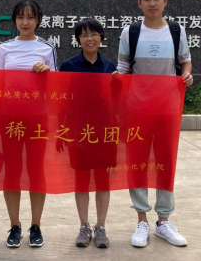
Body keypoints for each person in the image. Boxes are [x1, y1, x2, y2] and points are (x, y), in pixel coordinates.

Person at [116, 0, 194, 248]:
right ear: (139, 3)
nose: (152, 3)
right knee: (137, 161)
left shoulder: (176, 30)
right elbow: (123, 68)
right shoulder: (130, 32)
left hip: (168, 108)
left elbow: (185, 61)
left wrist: (186, 75)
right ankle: (142, 220)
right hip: (137, 108)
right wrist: (115, 80)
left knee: (165, 161)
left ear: (165, 1)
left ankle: (163, 221)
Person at [0, 0, 57, 249]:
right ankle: (15, 226)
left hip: (38, 118)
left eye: (30, 17)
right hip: (9, 119)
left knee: (36, 171)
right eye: (20, 17)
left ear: (38, 20)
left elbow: (57, 88)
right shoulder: (4, 48)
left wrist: (47, 74)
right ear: (14, 20)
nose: (25, 22)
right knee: (12, 171)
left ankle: (36, 226)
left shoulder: (47, 48)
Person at [59, 18, 116, 249]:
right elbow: (61, 100)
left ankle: (101, 226)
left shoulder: (111, 67)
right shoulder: (68, 66)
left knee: (103, 180)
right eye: (84, 35)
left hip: (104, 131)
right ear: (78, 40)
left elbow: (118, 101)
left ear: (101, 37)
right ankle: (84, 226)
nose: (89, 38)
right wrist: (61, 132)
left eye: (93, 34)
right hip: (78, 131)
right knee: (81, 180)